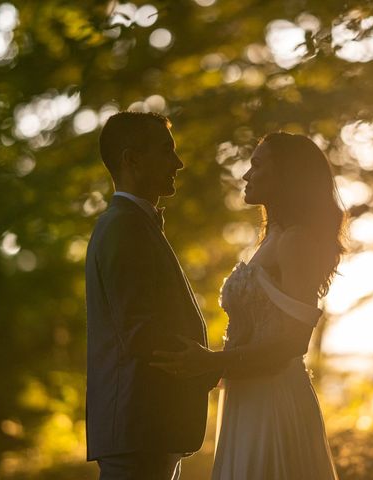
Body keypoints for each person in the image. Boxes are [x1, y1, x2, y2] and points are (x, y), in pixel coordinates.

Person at [151, 132, 345, 479]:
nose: (245, 174)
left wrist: (212, 362)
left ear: (287, 174)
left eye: (257, 165)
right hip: (247, 396)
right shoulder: (271, 239)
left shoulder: (295, 240)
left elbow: (294, 342)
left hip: (274, 399)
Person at [85, 111, 219, 480]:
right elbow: (139, 331)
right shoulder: (124, 226)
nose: (178, 163)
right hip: (139, 425)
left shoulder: (132, 223)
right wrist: (212, 364)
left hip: (146, 428)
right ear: (131, 159)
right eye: (166, 151)